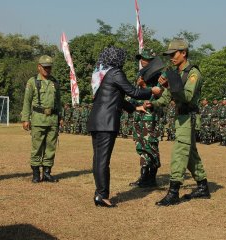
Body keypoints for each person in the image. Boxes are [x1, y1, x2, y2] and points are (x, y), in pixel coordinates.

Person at [87, 46, 162, 208]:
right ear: (116, 59)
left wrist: (134, 108)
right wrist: (153, 91)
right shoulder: (115, 72)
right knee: (102, 161)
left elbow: (116, 97)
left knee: (98, 159)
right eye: (121, 57)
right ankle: (102, 195)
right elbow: (133, 92)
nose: (123, 60)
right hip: (106, 122)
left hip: (96, 120)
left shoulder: (101, 73)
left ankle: (99, 193)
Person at [145, 38, 210, 206]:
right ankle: (203, 187)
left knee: (180, 153)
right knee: (191, 156)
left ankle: (173, 192)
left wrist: (170, 83)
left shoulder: (193, 73)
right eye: (169, 55)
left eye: (173, 54)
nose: (171, 58)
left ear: (183, 53)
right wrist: (153, 103)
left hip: (189, 118)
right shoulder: (176, 73)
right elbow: (166, 98)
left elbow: (187, 97)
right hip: (181, 118)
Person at [21, 55, 63, 183]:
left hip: (53, 120)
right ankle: (35, 173)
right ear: (39, 67)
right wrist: (25, 118)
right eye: (45, 67)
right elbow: (27, 101)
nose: (47, 70)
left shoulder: (55, 82)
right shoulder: (32, 82)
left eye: (49, 67)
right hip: (38, 120)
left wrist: (60, 117)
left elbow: (58, 102)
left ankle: (47, 173)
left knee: (51, 147)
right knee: (37, 147)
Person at [130, 49, 164, 188]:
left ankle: (151, 178)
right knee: (141, 145)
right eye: (141, 58)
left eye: (145, 58)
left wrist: (144, 86)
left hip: (151, 114)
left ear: (152, 61)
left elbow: (161, 93)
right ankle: (144, 176)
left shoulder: (159, 75)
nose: (142, 60)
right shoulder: (141, 73)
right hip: (140, 114)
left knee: (151, 145)